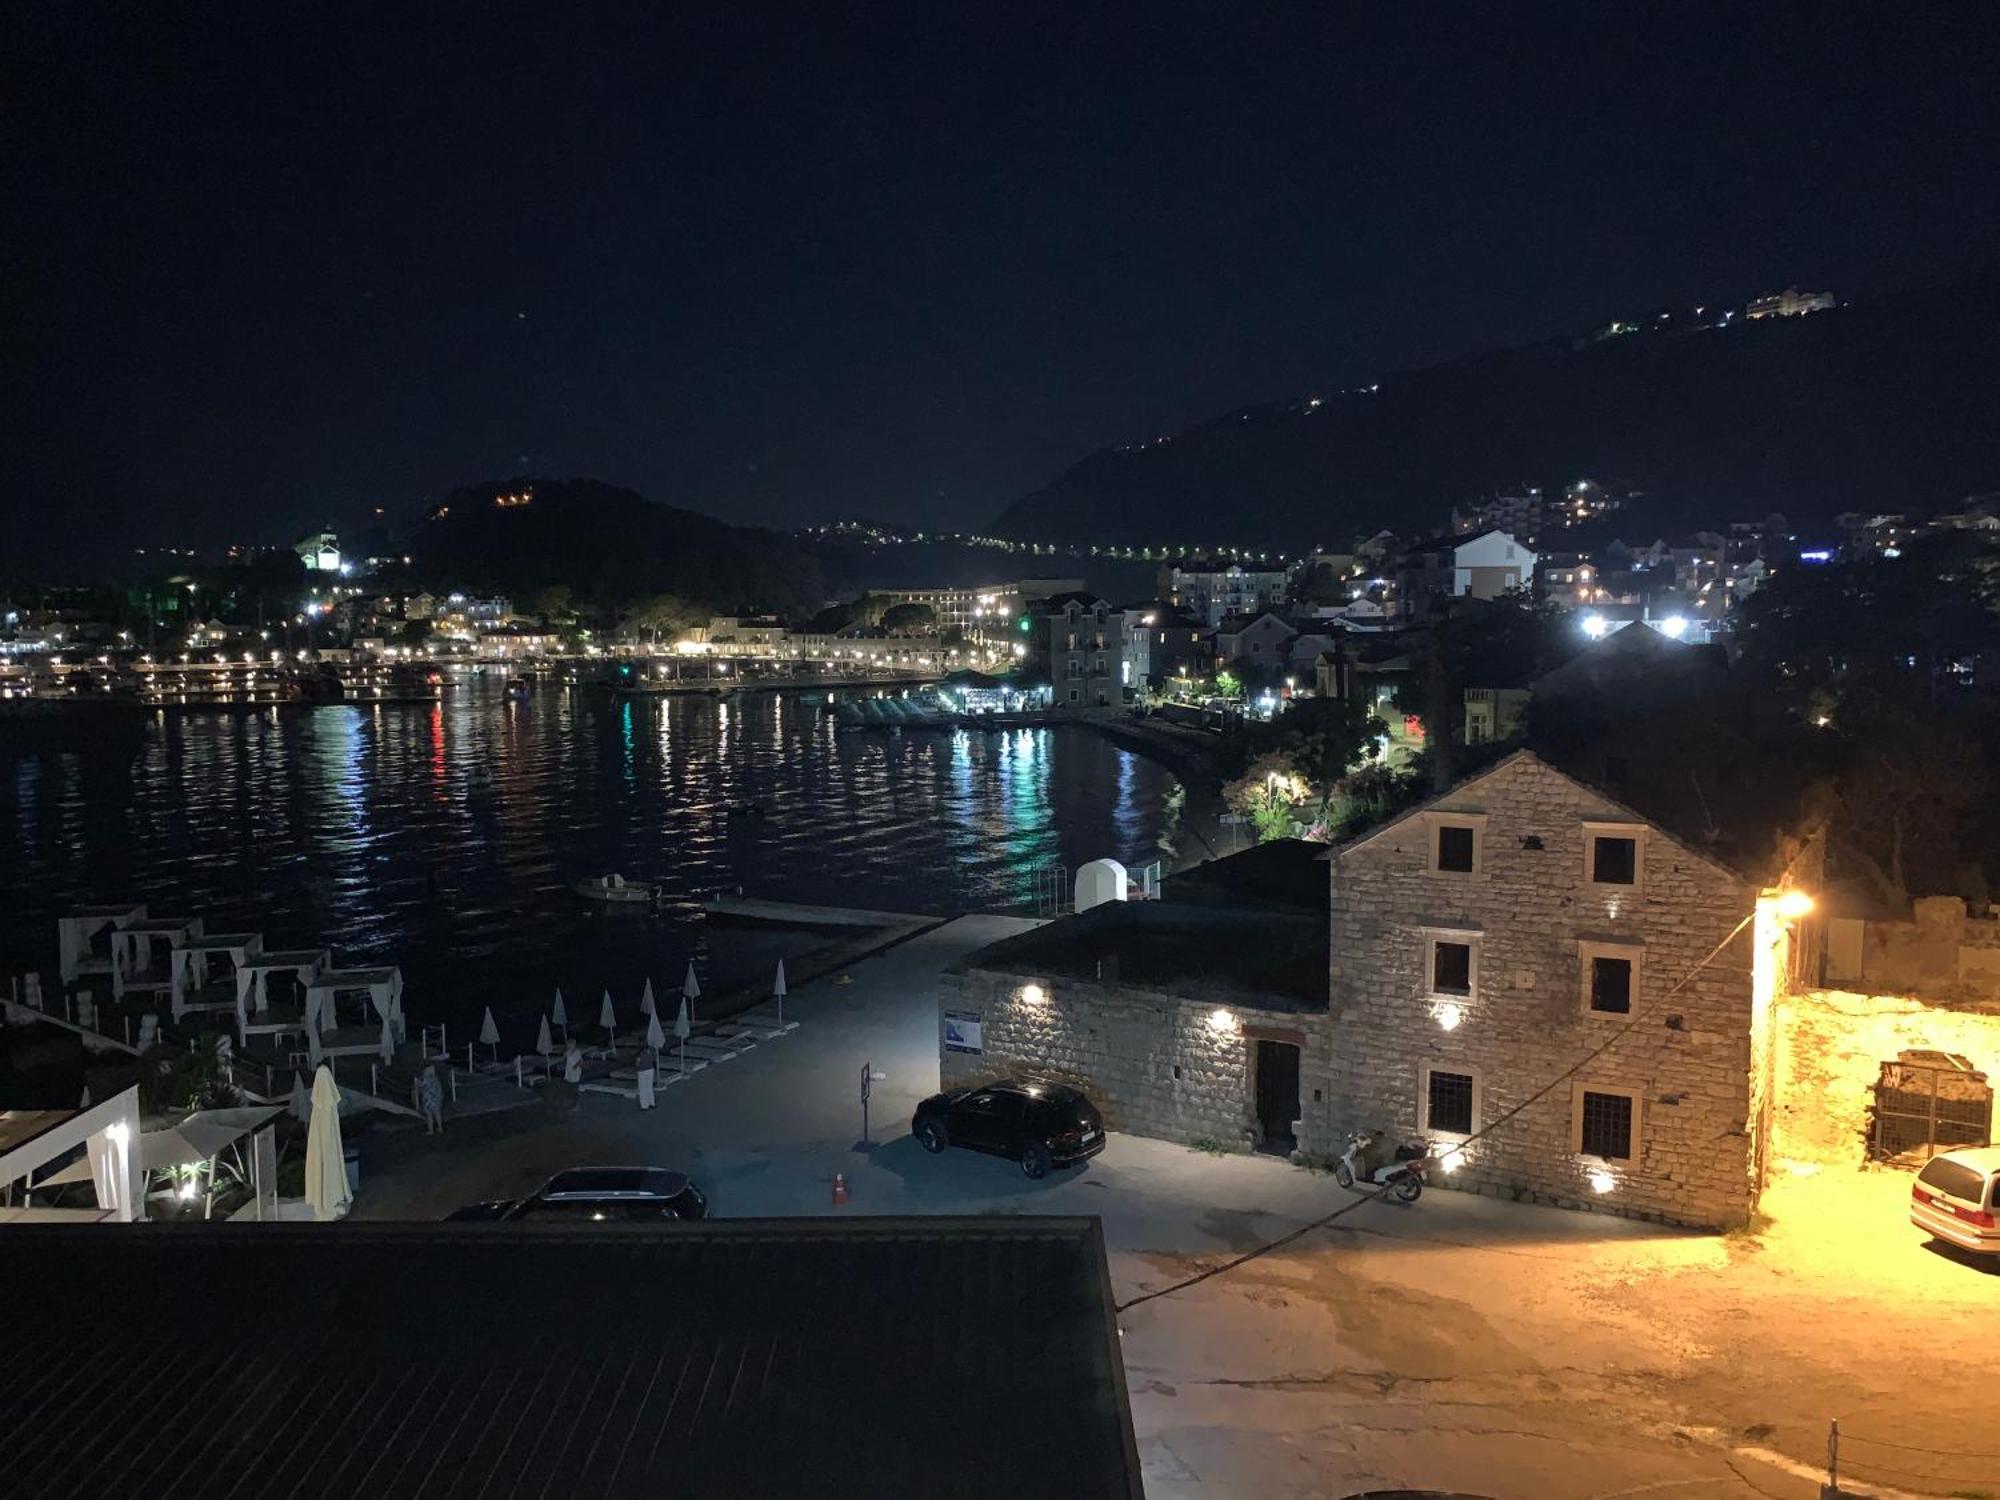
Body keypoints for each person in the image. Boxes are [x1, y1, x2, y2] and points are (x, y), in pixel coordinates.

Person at [417, 1064, 444, 1135]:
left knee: (429, 1116)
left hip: (427, 1100)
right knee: (437, 1113)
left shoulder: (423, 1080)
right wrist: (440, 1097)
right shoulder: (436, 1079)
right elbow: (440, 1089)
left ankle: (431, 1130)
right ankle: (440, 1127)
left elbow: (419, 1088)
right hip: (436, 1100)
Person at [636, 1042, 658, 1111]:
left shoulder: (640, 1053)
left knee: (642, 1088)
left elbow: (637, 1063)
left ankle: (644, 1105)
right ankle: (652, 1103)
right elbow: (654, 1060)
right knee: (649, 1087)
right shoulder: (651, 1050)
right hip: (650, 1069)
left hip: (642, 1071)